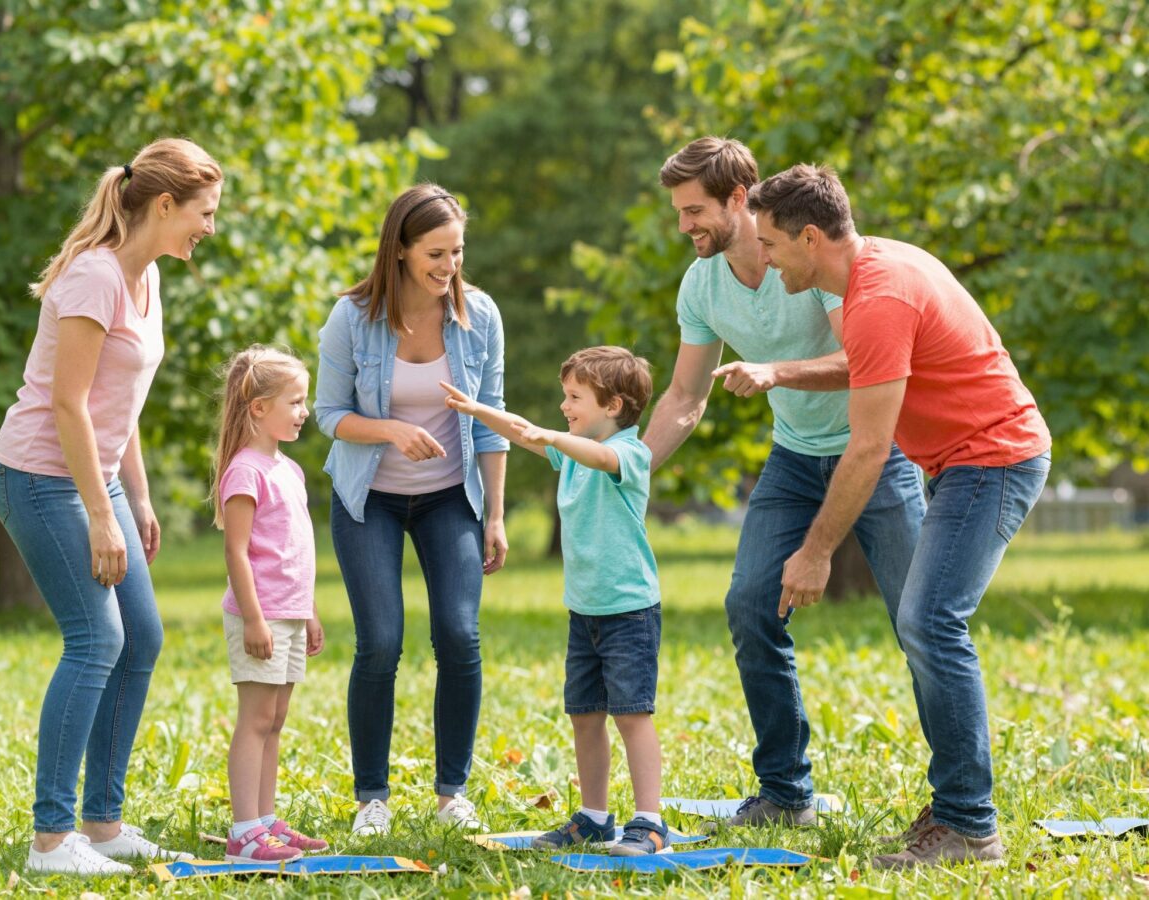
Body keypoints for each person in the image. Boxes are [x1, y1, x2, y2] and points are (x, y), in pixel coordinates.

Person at [748, 163, 1051, 868]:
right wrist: (782, 371)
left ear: (812, 236)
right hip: (967, 461)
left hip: (992, 459)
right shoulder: (877, 267)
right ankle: (957, 811)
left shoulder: (879, 295)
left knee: (929, 620)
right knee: (929, 620)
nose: (763, 258)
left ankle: (969, 826)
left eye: (770, 244)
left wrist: (817, 549)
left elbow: (869, 447)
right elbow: (870, 364)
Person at [645, 137, 927, 826]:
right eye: (678, 213)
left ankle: (957, 802)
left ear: (738, 200)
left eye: (694, 211)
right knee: (749, 604)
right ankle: (784, 791)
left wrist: (774, 373)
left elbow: (858, 358)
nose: (685, 227)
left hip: (877, 453)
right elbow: (685, 394)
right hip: (795, 458)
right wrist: (632, 471)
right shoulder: (701, 284)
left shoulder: (804, 260)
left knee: (922, 622)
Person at [0, 138, 222, 874]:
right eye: (204, 214)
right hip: (40, 475)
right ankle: (51, 840)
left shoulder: (147, 278)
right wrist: (98, 511)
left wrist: (138, 495)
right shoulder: (95, 278)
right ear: (163, 206)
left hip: (98, 476)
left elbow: (121, 402)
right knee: (97, 640)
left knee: (141, 637)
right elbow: (68, 404)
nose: (209, 228)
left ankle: (104, 822)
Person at [315, 184, 508, 836]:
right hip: (369, 497)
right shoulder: (352, 318)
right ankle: (373, 796)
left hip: (452, 498)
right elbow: (329, 416)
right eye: (434, 252)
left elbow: (490, 424)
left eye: (456, 251)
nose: (448, 264)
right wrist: (391, 430)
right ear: (399, 250)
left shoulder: (479, 317)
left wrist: (498, 515)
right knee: (381, 642)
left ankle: (452, 792)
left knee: (459, 634)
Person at [443, 346, 671, 857]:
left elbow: (600, 457)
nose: (563, 406)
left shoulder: (630, 453)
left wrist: (556, 439)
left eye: (574, 397)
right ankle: (593, 818)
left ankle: (650, 822)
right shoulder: (571, 450)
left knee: (632, 714)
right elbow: (525, 430)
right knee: (584, 715)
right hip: (584, 610)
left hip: (629, 610)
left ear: (613, 405)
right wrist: (478, 410)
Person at [211, 346, 328, 862]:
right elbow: (236, 551)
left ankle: (264, 821)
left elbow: (295, 550)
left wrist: (309, 612)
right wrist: (255, 617)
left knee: (275, 719)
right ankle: (243, 833)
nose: (305, 411)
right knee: (255, 719)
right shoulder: (245, 471)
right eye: (296, 401)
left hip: (288, 614)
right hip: (258, 617)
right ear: (259, 408)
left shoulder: (290, 470)